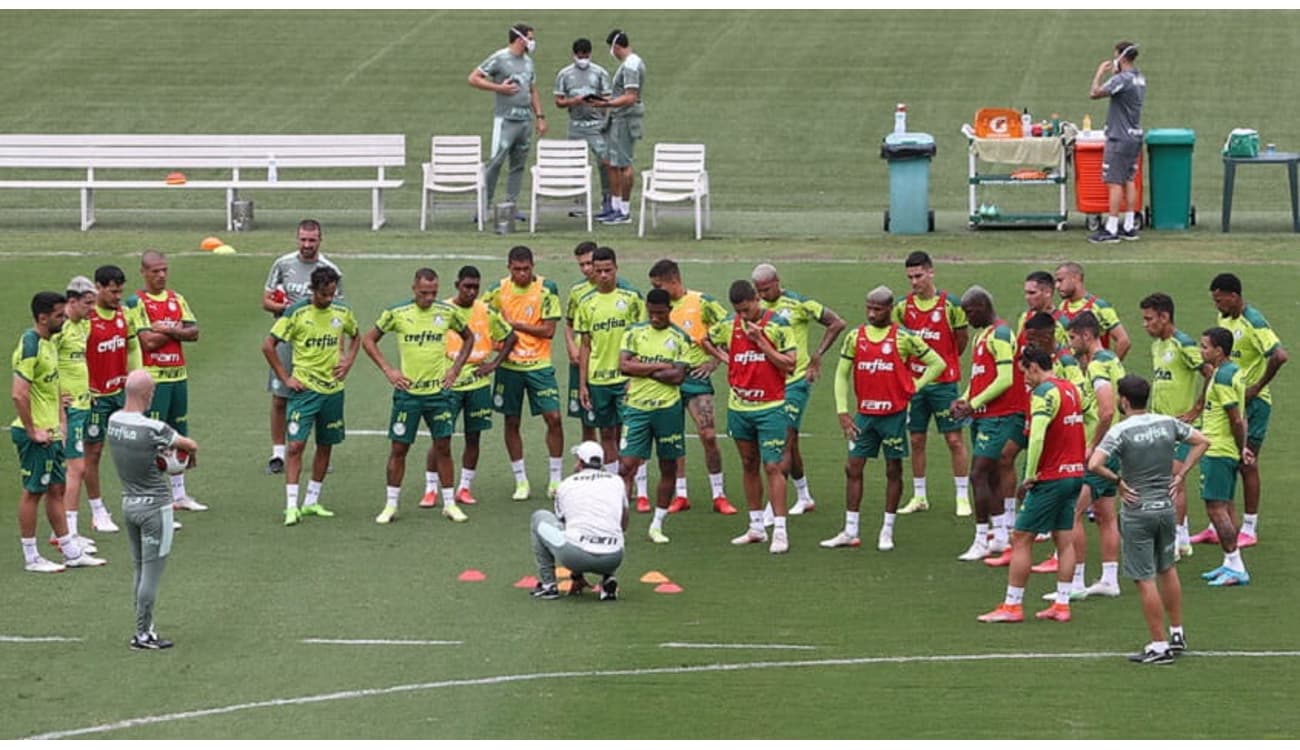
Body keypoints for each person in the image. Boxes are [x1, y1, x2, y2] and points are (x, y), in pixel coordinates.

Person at [1088, 375, 1208, 663]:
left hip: (1137, 510)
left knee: (1144, 578)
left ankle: (1158, 645)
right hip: (1165, 508)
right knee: (1167, 569)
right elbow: (1202, 441)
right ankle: (1177, 632)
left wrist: (1118, 481)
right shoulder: (1167, 423)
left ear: (1124, 401)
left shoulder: (1121, 431)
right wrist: (1180, 475)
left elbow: (1094, 464)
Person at [823, 287, 945, 551]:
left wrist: (915, 385)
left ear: (890, 309)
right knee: (853, 468)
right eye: (868, 307)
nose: (871, 313)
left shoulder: (903, 338)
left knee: (893, 470)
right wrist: (843, 411)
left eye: (877, 309)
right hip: (864, 417)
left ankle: (887, 530)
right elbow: (841, 374)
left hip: (894, 417)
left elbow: (938, 363)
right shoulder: (855, 337)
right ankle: (850, 530)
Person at [978, 346, 1085, 624]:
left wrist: (1030, 474)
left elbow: (1036, 437)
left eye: (1024, 372)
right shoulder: (1071, 389)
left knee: (1021, 538)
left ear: (1034, 368)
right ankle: (1062, 604)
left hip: (1051, 477)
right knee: (1064, 537)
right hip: (1075, 473)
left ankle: (1012, 606)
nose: (1023, 378)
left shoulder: (1042, 393)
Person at [362, 268, 474, 525]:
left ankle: (449, 504)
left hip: (438, 394)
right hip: (408, 394)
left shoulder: (446, 312)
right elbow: (369, 340)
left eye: (433, 293)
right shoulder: (397, 313)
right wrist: (389, 370)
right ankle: (390, 505)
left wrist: (455, 370)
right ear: (414, 289)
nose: (428, 298)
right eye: (424, 293)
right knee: (399, 448)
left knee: (443, 447)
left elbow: (469, 338)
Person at [12, 291, 106, 572]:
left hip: (52, 432)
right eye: (59, 316)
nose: (64, 320)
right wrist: (32, 431)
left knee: (57, 488)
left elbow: (49, 384)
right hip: (36, 436)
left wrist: (61, 418)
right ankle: (31, 557)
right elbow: (19, 394)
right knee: (33, 492)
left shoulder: (50, 343)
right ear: (42, 317)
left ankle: (70, 550)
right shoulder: (30, 345)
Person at [107, 370, 200, 650]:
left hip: (128, 502)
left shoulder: (113, 421)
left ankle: (144, 628)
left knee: (139, 568)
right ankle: (143, 634)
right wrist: (189, 458)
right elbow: (189, 444)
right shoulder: (153, 428)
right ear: (147, 394)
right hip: (155, 507)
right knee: (151, 573)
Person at [262, 266, 360, 527]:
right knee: (295, 446)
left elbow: (357, 335)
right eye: (324, 294)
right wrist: (285, 378)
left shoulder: (342, 311)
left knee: (326, 443)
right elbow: (268, 345)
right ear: (313, 290)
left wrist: (348, 361)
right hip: (304, 391)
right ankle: (291, 506)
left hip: (333, 391)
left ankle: (312, 501)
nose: (329, 299)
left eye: (332, 294)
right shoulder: (296, 313)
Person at [708, 280, 797, 554]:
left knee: (773, 466)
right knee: (748, 463)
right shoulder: (729, 324)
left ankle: (780, 530)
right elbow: (705, 339)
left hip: (770, 407)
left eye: (746, 310)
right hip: (740, 408)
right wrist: (727, 359)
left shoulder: (778, 325)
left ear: (757, 299)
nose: (743, 317)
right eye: (739, 312)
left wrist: (761, 343)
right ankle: (756, 526)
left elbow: (790, 364)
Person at [752, 263, 846, 517]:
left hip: (796, 381)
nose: (762, 295)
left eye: (766, 289)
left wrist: (817, 355)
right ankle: (804, 496)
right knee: (790, 443)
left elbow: (836, 322)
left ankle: (773, 506)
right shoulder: (756, 310)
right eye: (758, 291)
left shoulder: (798, 304)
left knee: (784, 438)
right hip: (769, 385)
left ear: (777, 282)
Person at [1200, 273, 1287, 548]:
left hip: (1254, 403)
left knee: (1247, 463)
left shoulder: (1254, 320)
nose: (1217, 305)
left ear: (1234, 296)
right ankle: (1221, 521)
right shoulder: (1225, 320)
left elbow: (1279, 355)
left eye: (1219, 300)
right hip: (1232, 398)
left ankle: (1249, 527)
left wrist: (1257, 387)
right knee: (1227, 458)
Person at [647, 259, 736, 515]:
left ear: (673, 280)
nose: (656, 290)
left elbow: (730, 329)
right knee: (674, 439)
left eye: (658, 284)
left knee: (708, 435)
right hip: (668, 379)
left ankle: (719, 494)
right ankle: (681, 494)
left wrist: (713, 362)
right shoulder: (659, 308)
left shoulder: (702, 302)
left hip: (696, 379)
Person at [482, 245, 565, 500]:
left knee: (553, 418)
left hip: (539, 365)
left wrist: (514, 325)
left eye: (526, 269)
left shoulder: (546, 288)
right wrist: (495, 342)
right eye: (516, 269)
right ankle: (521, 481)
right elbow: (482, 317)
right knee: (511, 421)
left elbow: (549, 330)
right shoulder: (497, 290)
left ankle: (555, 479)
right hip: (509, 367)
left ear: (533, 267)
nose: (521, 274)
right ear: (509, 268)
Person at [892, 252, 971, 517]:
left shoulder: (951, 305)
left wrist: (947, 362)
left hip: (944, 383)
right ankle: (919, 495)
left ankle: (962, 496)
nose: (914, 282)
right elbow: (897, 339)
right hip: (915, 384)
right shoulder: (903, 307)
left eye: (919, 276)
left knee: (953, 439)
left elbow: (961, 340)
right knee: (916, 439)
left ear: (931, 273)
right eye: (910, 277)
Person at [262, 220, 344, 474]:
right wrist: (288, 310)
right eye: (303, 240)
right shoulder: (283, 264)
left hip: (319, 344)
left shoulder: (330, 270)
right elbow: (265, 301)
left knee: (319, 396)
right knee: (280, 397)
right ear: (297, 238)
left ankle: (321, 455)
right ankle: (278, 454)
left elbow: (338, 314)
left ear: (321, 240)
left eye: (312, 240)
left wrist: (340, 353)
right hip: (287, 339)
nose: (307, 245)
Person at [124, 250, 203, 513]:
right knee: (154, 440)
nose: (161, 275)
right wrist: (177, 332)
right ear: (143, 272)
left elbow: (194, 333)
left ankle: (179, 495)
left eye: (164, 270)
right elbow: (147, 341)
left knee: (178, 436)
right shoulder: (136, 302)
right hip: (153, 380)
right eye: (155, 271)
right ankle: (155, 499)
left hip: (178, 376)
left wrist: (167, 330)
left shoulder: (176, 298)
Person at [950, 287, 1023, 562]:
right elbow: (981, 376)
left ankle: (982, 538)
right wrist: (964, 399)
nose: (967, 318)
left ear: (982, 306)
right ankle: (1001, 535)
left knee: (978, 475)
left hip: (1000, 415)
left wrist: (973, 402)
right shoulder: (984, 335)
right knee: (989, 475)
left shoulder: (1001, 334)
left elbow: (1005, 378)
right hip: (984, 415)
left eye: (969, 312)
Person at [1139, 293, 1210, 559]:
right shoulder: (1158, 345)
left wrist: (1196, 408)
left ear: (1164, 317)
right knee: (1170, 481)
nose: (1145, 325)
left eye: (1149, 319)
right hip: (1160, 423)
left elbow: (1211, 374)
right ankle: (1182, 538)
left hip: (1180, 427)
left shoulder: (1183, 344)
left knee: (1172, 481)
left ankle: (1175, 542)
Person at [618, 288, 690, 544]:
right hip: (637, 408)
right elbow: (624, 366)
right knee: (626, 466)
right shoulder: (634, 332)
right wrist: (660, 366)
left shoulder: (680, 338)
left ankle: (657, 524)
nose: (655, 317)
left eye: (660, 313)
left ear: (670, 310)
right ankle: (619, 528)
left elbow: (678, 376)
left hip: (667, 409)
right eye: (651, 312)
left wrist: (642, 369)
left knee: (668, 465)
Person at [1063, 312, 1126, 599]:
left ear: (1087, 336)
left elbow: (1107, 410)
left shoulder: (1098, 366)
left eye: (1073, 338)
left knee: (1072, 513)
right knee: (1105, 515)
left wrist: (1093, 445)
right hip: (1114, 447)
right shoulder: (1113, 360)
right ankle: (1109, 579)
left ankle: (1075, 582)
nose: (1070, 343)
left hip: (1099, 450)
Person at [575, 247, 646, 499]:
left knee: (632, 432)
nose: (604, 275)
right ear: (592, 271)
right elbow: (585, 345)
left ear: (616, 268)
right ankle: (617, 486)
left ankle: (642, 488)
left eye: (608, 270)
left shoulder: (631, 299)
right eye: (599, 270)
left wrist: (636, 375)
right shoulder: (586, 303)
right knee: (606, 432)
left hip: (625, 379)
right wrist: (582, 384)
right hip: (598, 379)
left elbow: (642, 339)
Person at [444, 266, 516, 507]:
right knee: (441, 436)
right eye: (467, 286)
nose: (471, 291)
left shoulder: (485, 310)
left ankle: (464, 487)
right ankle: (431, 487)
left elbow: (510, 337)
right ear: (457, 285)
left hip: (477, 383)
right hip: (450, 382)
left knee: (473, 437)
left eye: (475, 287)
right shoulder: (443, 310)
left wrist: (494, 364)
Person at [83, 265, 142, 535]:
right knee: (92, 453)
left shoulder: (123, 314)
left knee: (133, 448)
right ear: (98, 287)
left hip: (120, 394)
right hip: (96, 399)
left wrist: (135, 378)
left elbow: (131, 347)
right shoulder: (87, 319)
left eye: (120, 291)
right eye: (113, 291)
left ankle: (139, 506)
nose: (118, 297)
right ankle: (98, 511)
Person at [529, 441, 625, 601]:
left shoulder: (566, 484)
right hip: (613, 557)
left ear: (581, 462)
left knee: (539, 517)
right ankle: (608, 579)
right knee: (608, 525)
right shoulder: (617, 482)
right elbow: (623, 520)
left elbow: (565, 524)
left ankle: (549, 585)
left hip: (575, 556)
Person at [469, 22, 548, 216]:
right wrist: (499, 88)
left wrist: (539, 116)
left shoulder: (529, 62)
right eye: (529, 38)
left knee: (518, 165)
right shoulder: (500, 58)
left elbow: (532, 89)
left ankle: (511, 205)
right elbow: (474, 78)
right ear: (519, 38)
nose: (532, 42)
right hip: (505, 120)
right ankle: (484, 206)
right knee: (495, 162)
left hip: (525, 121)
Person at [1194, 327, 1252, 587]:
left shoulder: (1223, 378)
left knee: (1215, 508)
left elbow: (1236, 419)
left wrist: (1241, 449)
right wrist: (1243, 447)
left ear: (1219, 351)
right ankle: (1230, 564)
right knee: (1225, 506)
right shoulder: (1232, 372)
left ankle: (1236, 565)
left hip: (1217, 450)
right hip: (1224, 448)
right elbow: (1242, 415)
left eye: (1205, 346)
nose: (1201, 350)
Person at [52, 276, 99, 554]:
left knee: (77, 469)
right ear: (72, 302)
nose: (91, 309)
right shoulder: (60, 329)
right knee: (75, 468)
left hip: (83, 404)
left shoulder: (85, 325)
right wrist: (59, 397)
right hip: (68, 410)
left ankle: (69, 531)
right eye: (87, 304)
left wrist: (86, 386)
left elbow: (77, 361)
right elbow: (49, 363)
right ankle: (66, 534)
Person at [1087, 41, 1145, 244]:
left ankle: (1111, 228)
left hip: (1119, 138)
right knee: (1129, 179)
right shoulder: (1139, 78)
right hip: (1134, 136)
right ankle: (1128, 225)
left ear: (1121, 57)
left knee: (1114, 182)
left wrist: (1099, 73)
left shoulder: (1123, 79)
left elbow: (1094, 93)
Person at [590, 29, 644, 225]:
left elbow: (631, 97)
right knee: (612, 163)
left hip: (624, 119)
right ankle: (615, 206)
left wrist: (606, 104)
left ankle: (625, 210)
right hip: (617, 118)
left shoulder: (631, 66)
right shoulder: (630, 64)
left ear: (616, 46)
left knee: (623, 164)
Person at [554, 38, 613, 217]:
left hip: (596, 126)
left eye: (586, 56)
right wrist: (574, 101)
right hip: (576, 126)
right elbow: (559, 101)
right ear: (574, 55)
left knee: (604, 161)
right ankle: (580, 202)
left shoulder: (599, 73)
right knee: (576, 165)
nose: (583, 59)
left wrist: (597, 104)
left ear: (590, 54)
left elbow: (608, 99)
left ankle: (607, 199)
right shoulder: (564, 74)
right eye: (580, 56)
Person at [1053, 262, 1130, 359]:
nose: (1057, 286)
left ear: (1075, 278)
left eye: (1060, 280)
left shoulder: (1099, 306)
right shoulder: (1062, 307)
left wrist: (1109, 367)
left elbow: (1123, 341)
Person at [1017, 270, 1068, 349]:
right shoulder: (1024, 317)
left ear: (1048, 292)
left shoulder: (1063, 323)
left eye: (1032, 293)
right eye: (1026, 293)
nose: (1027, 297)